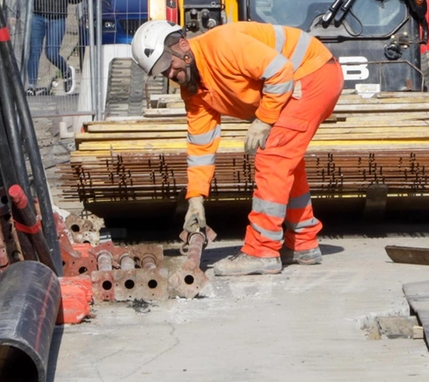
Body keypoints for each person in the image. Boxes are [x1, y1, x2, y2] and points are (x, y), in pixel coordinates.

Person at [132, 20, 342, 276]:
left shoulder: (223, 45)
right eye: (162, 72)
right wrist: (196, 198)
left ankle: (261, 251)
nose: (170, 75)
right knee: (287, 161)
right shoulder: (194, 90)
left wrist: (264, 120)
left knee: (272, 157)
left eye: (169, 65)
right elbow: (201, 145)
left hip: (312, 73)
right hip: (308, 76)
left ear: (183, 46)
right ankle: (302, 243)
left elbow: (280, 71)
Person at [27, 0, 86, 95]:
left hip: (57, 18)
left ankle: (66, 70)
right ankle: (31, 86)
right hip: (38, 16)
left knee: (52, 53)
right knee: (34, 51)